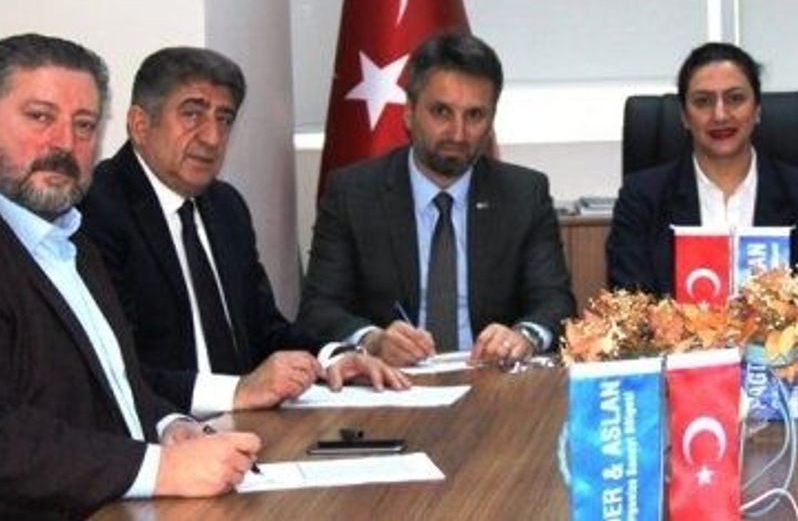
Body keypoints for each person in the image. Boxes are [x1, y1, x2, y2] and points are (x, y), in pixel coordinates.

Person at [0, 34, 259, 518]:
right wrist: (158, 468)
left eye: (84, 125)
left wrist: (168, 426)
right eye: (40, 117)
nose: (64, 144)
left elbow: (115, 383)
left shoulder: (74, 243)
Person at [79, 47, 408, 414]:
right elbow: (115, 368)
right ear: (140, 125)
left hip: (246, 425)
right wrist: (237, 391)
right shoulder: (96, 210)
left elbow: (264, 330)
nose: (212, 137)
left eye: (224, 119)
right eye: (192, 114)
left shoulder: (226, 206)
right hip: (162, 430)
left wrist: (335, 356)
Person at [298, 32, 577, 366]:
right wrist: (372, 340)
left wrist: (524, 336)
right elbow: (318, 309)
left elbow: (555, 303)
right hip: (389, 380)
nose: (458, 133)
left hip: (491, 379)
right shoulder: (354, 193)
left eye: (475, 115)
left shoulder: (523, 194)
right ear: (409, 112)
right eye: (442, 112)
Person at [605, 42, 798, 304]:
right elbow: (630, 303)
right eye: (703, 101)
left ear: (757, 109)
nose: (720, 115)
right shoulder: (642, 198)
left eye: (735, 98)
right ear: (684, 116)